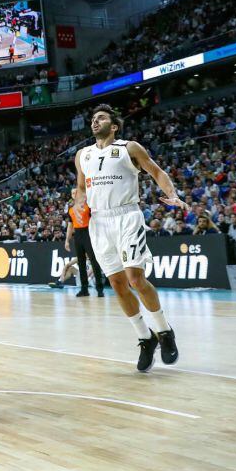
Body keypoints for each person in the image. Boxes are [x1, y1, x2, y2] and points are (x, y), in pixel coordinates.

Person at [74, 104, 185, 373]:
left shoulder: (128, 148)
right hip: (99, 221)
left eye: (100, 118)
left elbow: (156, 171)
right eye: (92, 118)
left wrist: (172, 194)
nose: (94, 121)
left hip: (126, 216)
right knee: (116, 282)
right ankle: (145, 338)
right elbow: (80, 187)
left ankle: (164, 331)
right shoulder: (82, 155)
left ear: (113, 126)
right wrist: (79, 202)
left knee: (135, 278)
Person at [66, 187, 104, 297]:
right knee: (81, 263)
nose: (74, 194)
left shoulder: (88, 207)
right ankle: (84, 289)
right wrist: (67, 241)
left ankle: (99, 288)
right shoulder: (71, 209)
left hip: (88, 233)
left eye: (76, 192)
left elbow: (96, 221)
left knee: (94, 261)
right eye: (72, 193)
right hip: (77, 235)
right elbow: (70, 226)